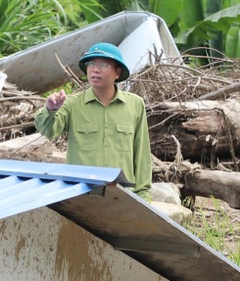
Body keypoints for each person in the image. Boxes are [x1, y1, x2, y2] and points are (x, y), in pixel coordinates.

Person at [34, 42, 152, 199]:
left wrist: (143, 195)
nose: (95, 69)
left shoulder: (135, 104)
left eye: (103, 64)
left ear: (117, 72)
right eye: (91, 64)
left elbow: (142, 152)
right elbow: (49, 130)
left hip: (122, 195)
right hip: (82, 194)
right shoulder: (72, 103)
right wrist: (50, 109)